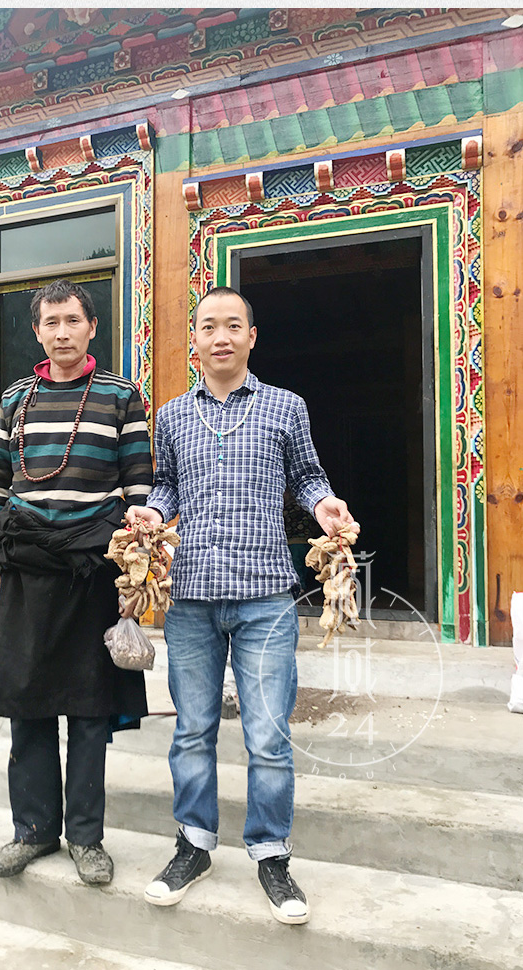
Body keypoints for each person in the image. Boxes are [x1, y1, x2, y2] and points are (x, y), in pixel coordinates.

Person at [127, 286, 355, 924]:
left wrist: (323, 505)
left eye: (233, 326)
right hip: (193, 598)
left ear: (252, 337)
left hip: (265, 597)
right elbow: (167, 485)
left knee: (269, 736)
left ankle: (271, 855)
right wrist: (152, 512)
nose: (221, 336)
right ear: (194, 341)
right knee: (192, 730)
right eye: (208, 326)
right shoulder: (173, 416)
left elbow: (307, 476)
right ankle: (193, 846)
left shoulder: (286, 407)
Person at [0, 278, 152, 886]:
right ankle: (33, 831)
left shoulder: (121, 397)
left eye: (72, 320)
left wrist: (137, 573)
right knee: (25, 704)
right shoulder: (15, 401)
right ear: (37, 331)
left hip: (92, 571)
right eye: (50, 323)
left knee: (88, 707)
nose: (62, 333)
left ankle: (85, 838)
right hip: (25, 568)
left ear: (92, 327)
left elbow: (139, 489)